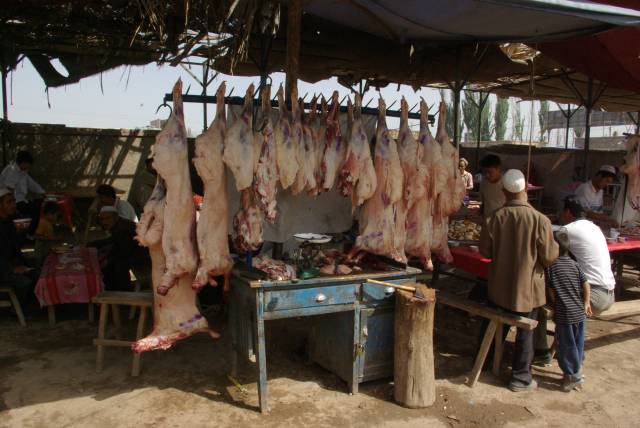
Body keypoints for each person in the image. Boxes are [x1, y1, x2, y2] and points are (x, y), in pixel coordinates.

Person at [480, 169, 559, 392]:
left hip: (498, 288)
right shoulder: (541, 220)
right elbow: (550, 257)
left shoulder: (494, 218)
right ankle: (520, 378)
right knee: (526, 332)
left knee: (494, 324)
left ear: (504, 191)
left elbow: (485, 251)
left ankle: (486, 362)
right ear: (526, 189)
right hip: (528, 291)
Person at [545, 229, 591, 392]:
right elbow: (586, 283)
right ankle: (576, 371)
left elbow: (551, 290)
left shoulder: (551, 267)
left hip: (565, 313)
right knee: (578, 344)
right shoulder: (574, 264)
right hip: (579, 311)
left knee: (565, 345)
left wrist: (554, 302)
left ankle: (572, 376)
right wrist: (586, 302)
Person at [561, 198, 615, 314]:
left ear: (568, 212)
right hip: (610, 294)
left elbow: (550, 254)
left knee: (545, 296)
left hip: (593, 294)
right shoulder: (595, 228)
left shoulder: (568, 229)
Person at [89, 206, 148, 291]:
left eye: (107, 218)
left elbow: (123, 250)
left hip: (142, 256)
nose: (104, 222)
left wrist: (106, 255)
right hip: (131, 252)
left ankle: (121, 293)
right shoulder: (118, 224)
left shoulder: (123, 228)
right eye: (102, 219)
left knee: (113, 265)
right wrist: (94, 244)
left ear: (116, 217)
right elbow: (113, 240)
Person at [0, 188, 38, 309]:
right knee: (25, 283)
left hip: (12, 262)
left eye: (14, 201)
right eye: (9, 202)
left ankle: (31, 305)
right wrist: (12, 269)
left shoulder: (10, 221)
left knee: (38, 272)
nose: (13, 205)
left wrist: (21, 232)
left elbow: (15, 246)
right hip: (3, 268)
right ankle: (14, 310)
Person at [0, 150, 45, 233]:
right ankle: (29, 233)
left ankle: (29, 233)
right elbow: (9, 189)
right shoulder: (12, 171)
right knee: (32, 212)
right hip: (11, 201)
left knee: (37, 207)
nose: (28, 166)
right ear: (23, 162)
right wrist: (13, 204)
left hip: (20, 200)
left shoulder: (23, 172)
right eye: (28, 164)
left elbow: (31, 183)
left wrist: (42, 192)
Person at [479, 154, 506, 219]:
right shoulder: (483, 183)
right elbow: (484, 202)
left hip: (503, 221)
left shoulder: (506, 184)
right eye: (484, 172)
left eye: (490, 172)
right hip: (487, 220)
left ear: (498, 169)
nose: (487, 175)